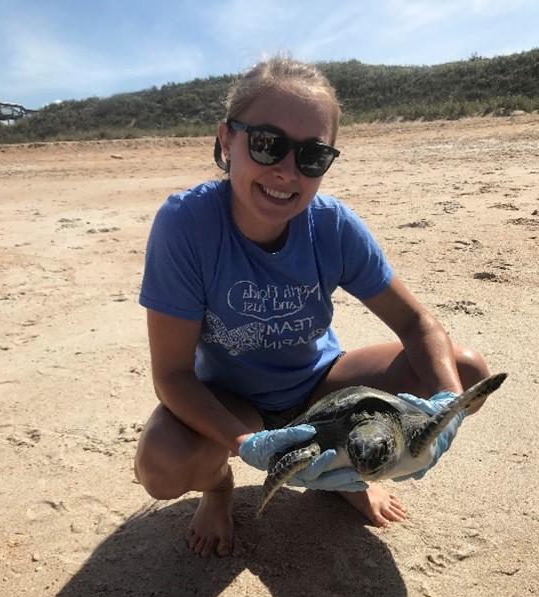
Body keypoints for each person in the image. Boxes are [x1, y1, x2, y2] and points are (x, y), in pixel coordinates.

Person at [134, 55, 489, 557]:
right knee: (164, 462)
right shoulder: (187, 226)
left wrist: (444, 408)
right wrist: (244, 444)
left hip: (320, 387)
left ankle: (349, 477)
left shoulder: (331, 225)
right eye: (267, 143)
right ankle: (218, 488)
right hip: (234, 400)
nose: (286, 171)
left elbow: (416, 322)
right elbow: (173, 376)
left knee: (464, 370)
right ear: (226, 140)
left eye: (312, 156)